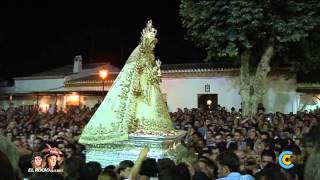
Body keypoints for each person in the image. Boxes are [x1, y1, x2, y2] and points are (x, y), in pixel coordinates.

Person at [79, 20, 175, 145]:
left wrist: (156, 71)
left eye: (153, 43)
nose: (152, 45)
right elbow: (132, 71)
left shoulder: (151, 56)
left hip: (149, 89)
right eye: (150, 42)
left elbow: (150, 74)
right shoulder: (138, 54)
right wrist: (138, 84)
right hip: (138, 88)